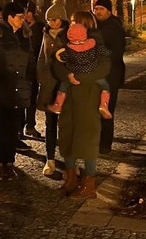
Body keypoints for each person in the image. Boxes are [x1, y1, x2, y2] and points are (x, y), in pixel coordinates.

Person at [51, 10, 111, 200]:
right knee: (67, 135)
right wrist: (66, 75)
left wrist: (79, 77)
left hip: (88, 96)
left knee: (87, 138)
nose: (72, 24)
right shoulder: (64, 40)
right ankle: (70, 178)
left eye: (76, 21)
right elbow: (56, 63)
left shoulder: (96, 44)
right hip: (69, 98)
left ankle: (89, 184)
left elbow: (104, 67)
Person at [0, 2, 34, 180]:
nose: (23, 19)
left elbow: (31, 61)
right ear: (10, 17)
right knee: (1, 128)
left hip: (20, 90)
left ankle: (9, 163)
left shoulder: (26, 37)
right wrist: (2, 71)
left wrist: (30, 78)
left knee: (13, 130)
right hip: (1, 90)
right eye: (19, 16)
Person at [46, 23, 112, 119]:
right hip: (91, 72)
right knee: (105, 85)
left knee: (63, 86)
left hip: (75, 74)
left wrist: (58, 55)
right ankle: (104, 104)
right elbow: (105, 52)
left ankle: (58, 104)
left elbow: (60, 57)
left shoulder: (68, 49)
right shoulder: (93, 44)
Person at [36, 0, 69, 176]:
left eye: (54, 19)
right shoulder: (45, 35)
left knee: (65, 125)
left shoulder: (71, 35)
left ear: (62, 19)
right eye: (49, 20)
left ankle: (68, 160)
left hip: (64, 86)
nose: (51, 23)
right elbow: (41, 58)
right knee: (50, 124)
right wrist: (41, 77)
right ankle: (50, 159)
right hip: (49, 85)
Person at [92, 0, 126, 154]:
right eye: (96, 8)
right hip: (97, 75)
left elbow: (116, 54)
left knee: (106, 109)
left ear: (109, 11)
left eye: (101, 9)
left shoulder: (114, 28)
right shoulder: (95, 26)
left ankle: (105, 144)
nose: (97, 11)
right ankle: (96, 140)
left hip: (110, 75)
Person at [22, 0, 45, 140]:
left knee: (32, 98)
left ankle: (30, 125)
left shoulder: (40, 27)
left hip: (34, 67)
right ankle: (20, 127)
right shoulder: (20, 27)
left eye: (26, 12)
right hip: (22, 68)